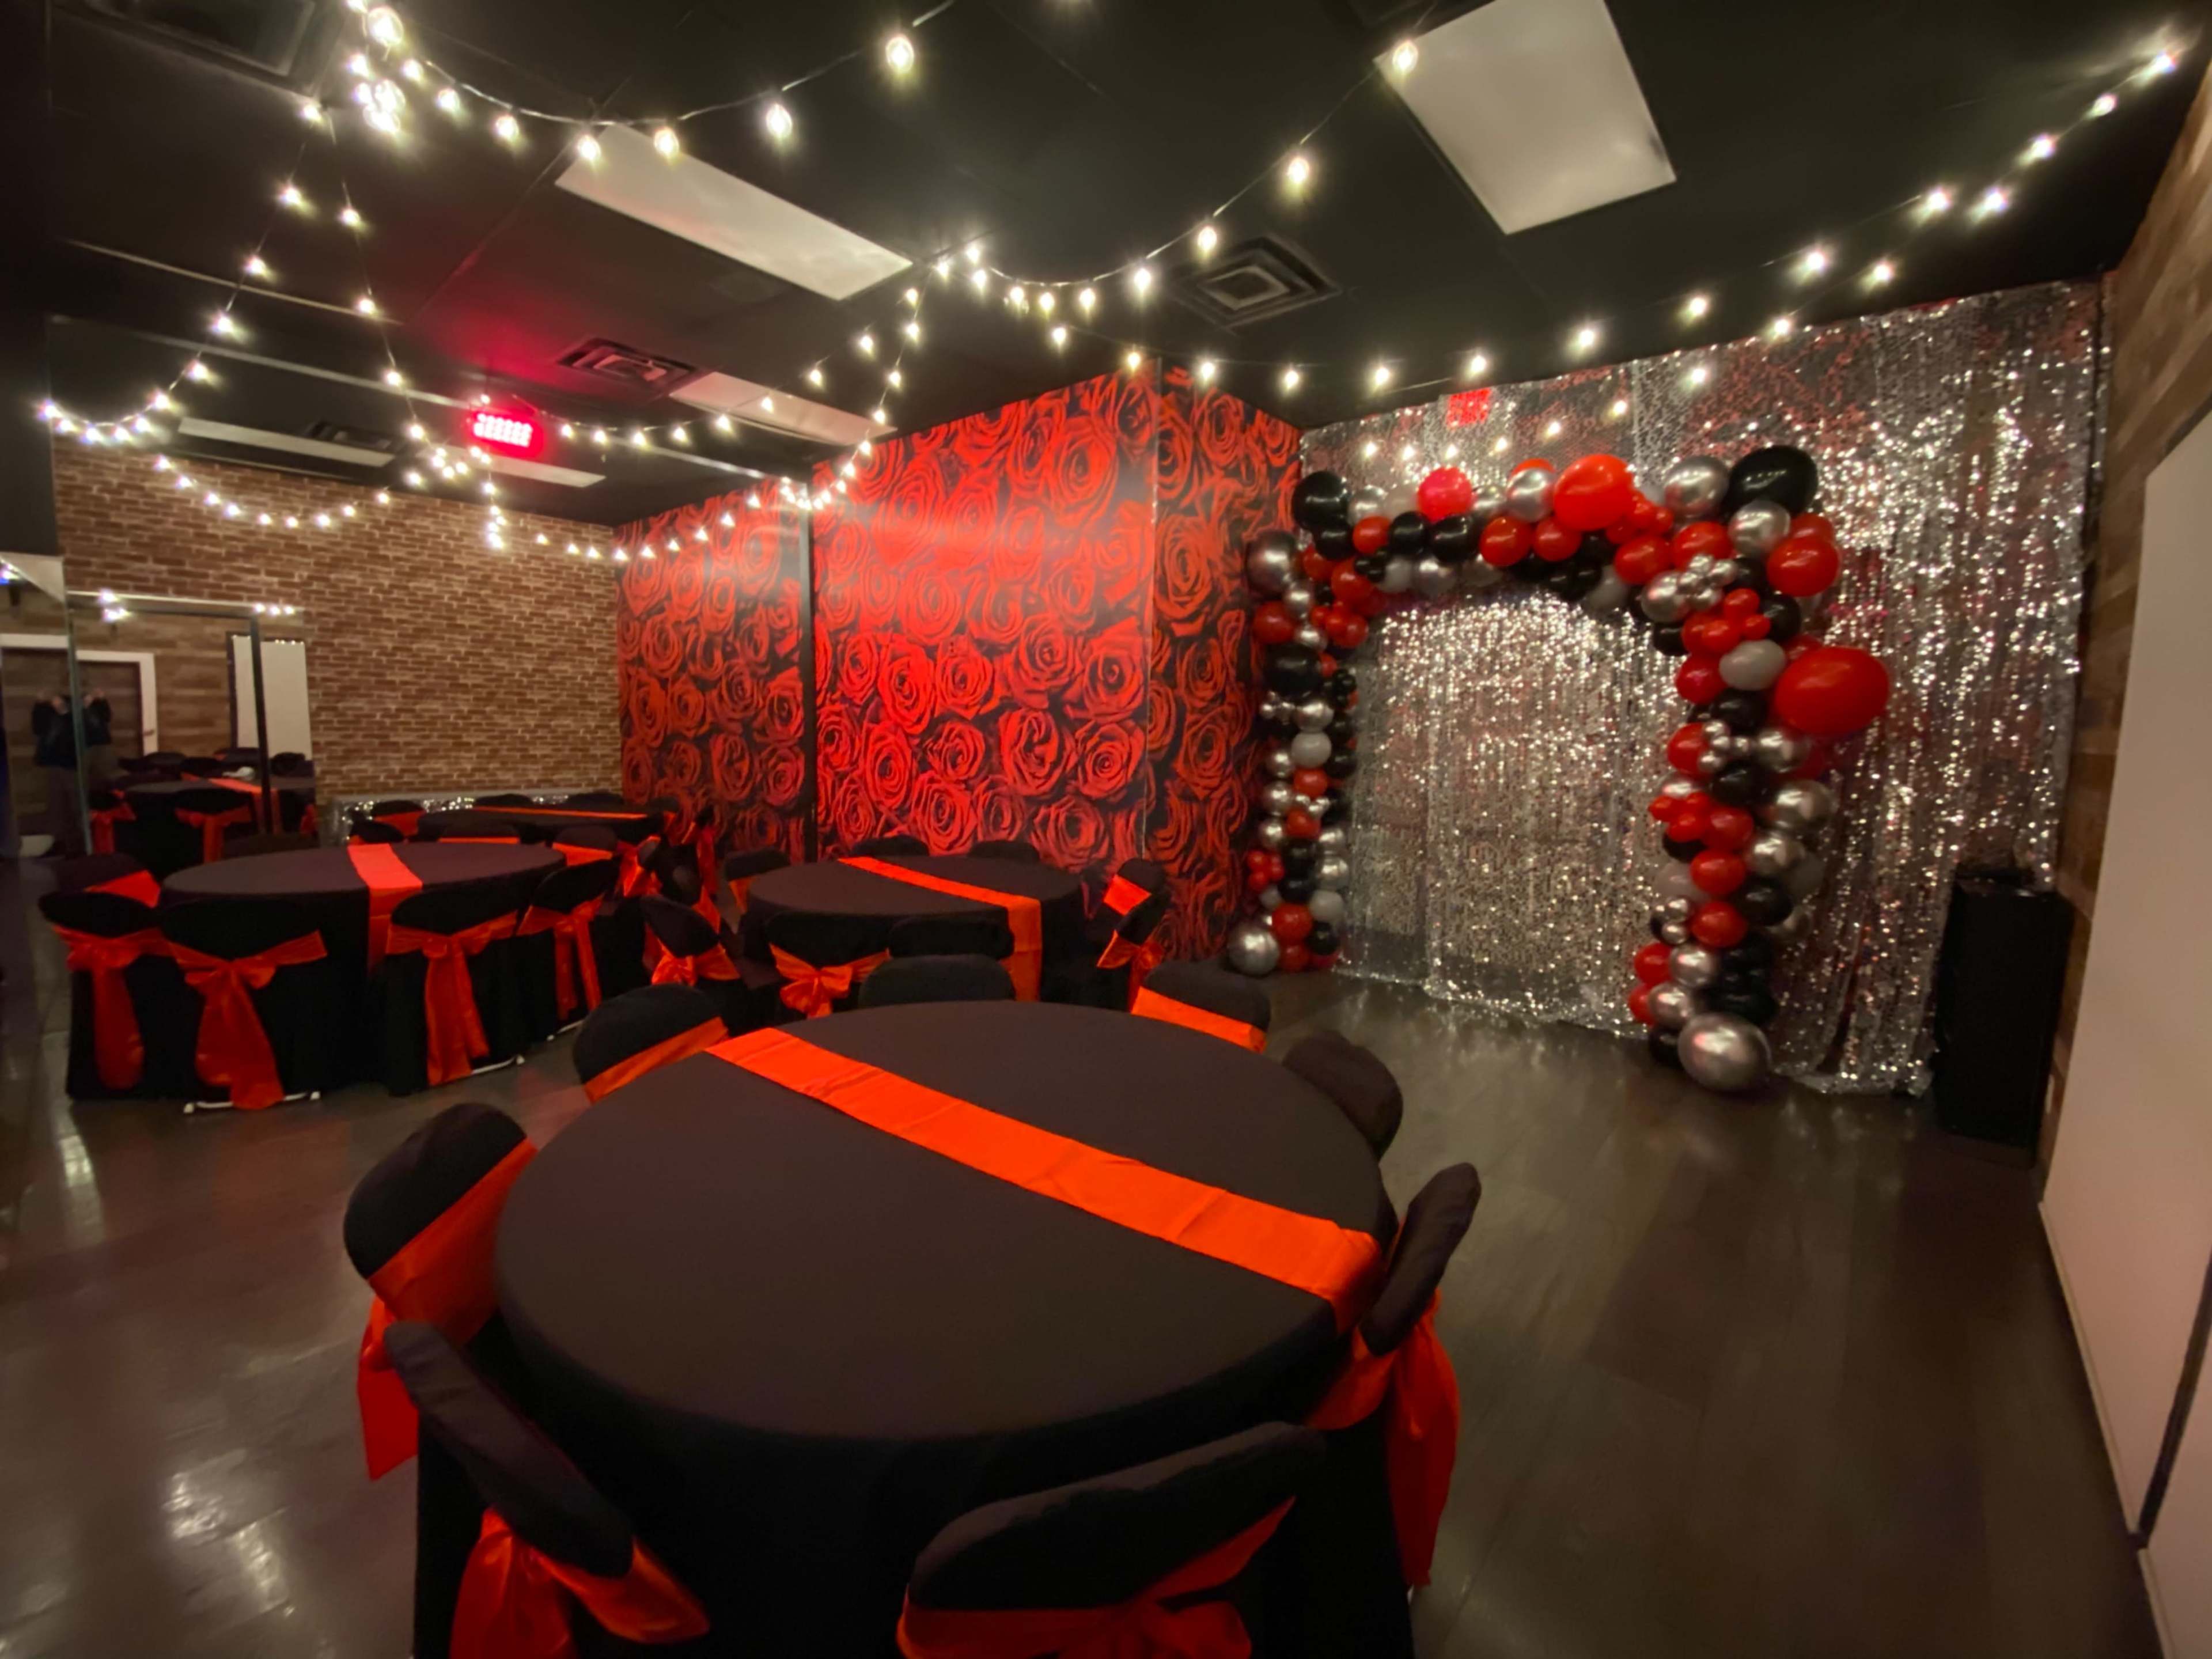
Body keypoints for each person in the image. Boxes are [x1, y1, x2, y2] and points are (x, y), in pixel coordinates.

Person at [32, 692, 85, 857]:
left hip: (71, 767)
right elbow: (38, 728)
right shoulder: (50, 717)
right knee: (56, 808)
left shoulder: (74, 718)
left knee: (77, 808)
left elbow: (77, 735)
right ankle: (60, 844)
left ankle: (81, 846)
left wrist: (64, 712)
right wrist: (39, 707)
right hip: (54, 766)